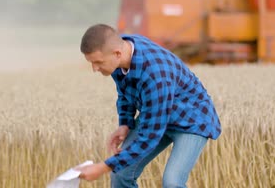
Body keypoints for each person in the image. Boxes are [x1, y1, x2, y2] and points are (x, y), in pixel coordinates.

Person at [77, 24, 221, 187]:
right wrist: (125, 124)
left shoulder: (155, 75)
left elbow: (149, 137)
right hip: (156, 114)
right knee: (120, 174)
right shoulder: (119, 51)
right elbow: (124, 92)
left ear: (117, 53)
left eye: (98, 62)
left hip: (191, 120)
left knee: (172, 182)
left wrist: (103, 167)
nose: (94, 69)